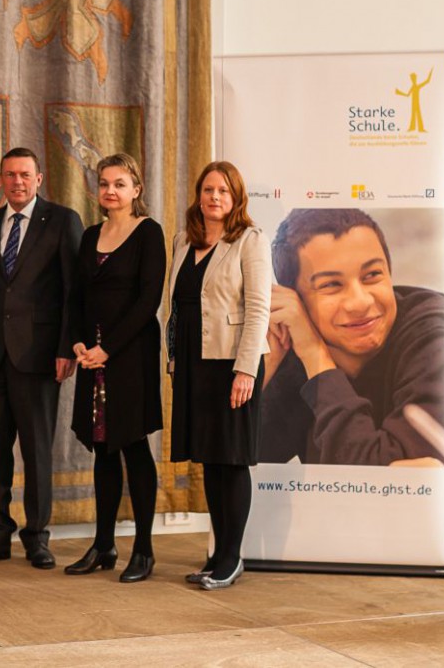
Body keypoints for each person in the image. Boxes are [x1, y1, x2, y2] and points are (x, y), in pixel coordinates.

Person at [0, 147, 83, 569]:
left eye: (25, 175)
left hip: (39, 357)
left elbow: (74, 291)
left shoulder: (63, 221)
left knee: (36, 451)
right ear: (0, 178)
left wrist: (66, 347)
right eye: (10, 175)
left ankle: (37, 537)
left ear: (39, 178)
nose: (17, 182)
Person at [259, 208, 444, 466]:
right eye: (331, 285)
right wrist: (262, 367)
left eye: (372, 276)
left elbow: (383, 482)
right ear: (297, 303)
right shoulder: (294, 347)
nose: (359, 302)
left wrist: (317, 357)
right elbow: (228, 467)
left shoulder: (433, 334)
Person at [168, 161, 271, 591]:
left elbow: (259, 308)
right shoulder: (182, 240)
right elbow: (174, 308)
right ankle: (217, 553)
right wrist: (173, 359)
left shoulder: (250, 240)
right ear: (199, 195)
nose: (214, 197)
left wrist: (245, 369)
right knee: (210, 459)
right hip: (193, 363)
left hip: (231, 364)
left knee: (231, 459)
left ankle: (232, 556)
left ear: (236, 199)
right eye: (208, 189)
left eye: (223, 192)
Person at [66, 153, 166, 583]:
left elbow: (148, 301)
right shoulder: (90, 236)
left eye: (120, 183)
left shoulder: (149, 233)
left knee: (133, 445)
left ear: (136, 189)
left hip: (130, 355)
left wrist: (108, 349)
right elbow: (77, 296)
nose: (111, 191)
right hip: (92, 356)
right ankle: (103, 544)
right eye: (104, 183)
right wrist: (78, 344)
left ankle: (143, 549)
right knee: (103, 448)